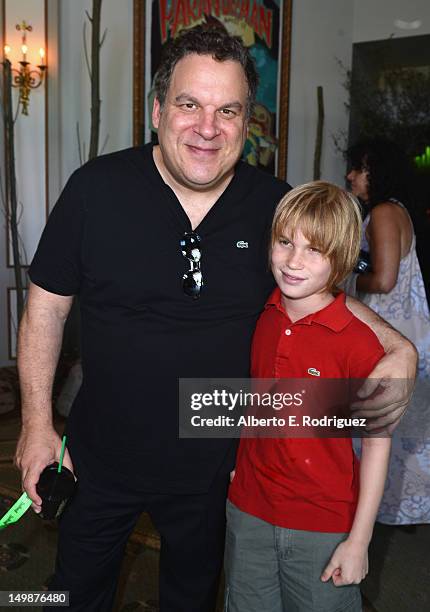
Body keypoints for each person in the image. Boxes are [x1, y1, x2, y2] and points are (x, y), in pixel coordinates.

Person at [15, 25, 416, 612]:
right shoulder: (94, 190)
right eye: (189, 105)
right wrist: (35, 425)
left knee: (193, 598)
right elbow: (46, 308)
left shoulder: (273, 205)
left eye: (227, 110)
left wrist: (395, 344)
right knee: (68, 597)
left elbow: (319, 284)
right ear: (157, 110)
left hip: (217, 465)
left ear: (246, 121)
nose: (208, 128)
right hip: (100, 453)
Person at [225, 181, 391, 611]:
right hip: (249, 512)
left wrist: (359, 540)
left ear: (342, 258)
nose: (293, 261)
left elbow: (376, 444)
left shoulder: (359, 343)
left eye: (314, 249)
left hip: (323, 524)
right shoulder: (261, 315)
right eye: (285, 242)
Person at [347, 139, 430, 525]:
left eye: (359, 169)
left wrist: (342, 278)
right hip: (405, 324)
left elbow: (383, 279)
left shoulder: (382, 212)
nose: (352, 175)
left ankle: (379, 511)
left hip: (390, 330)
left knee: (381, 420)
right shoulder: (397, 210)